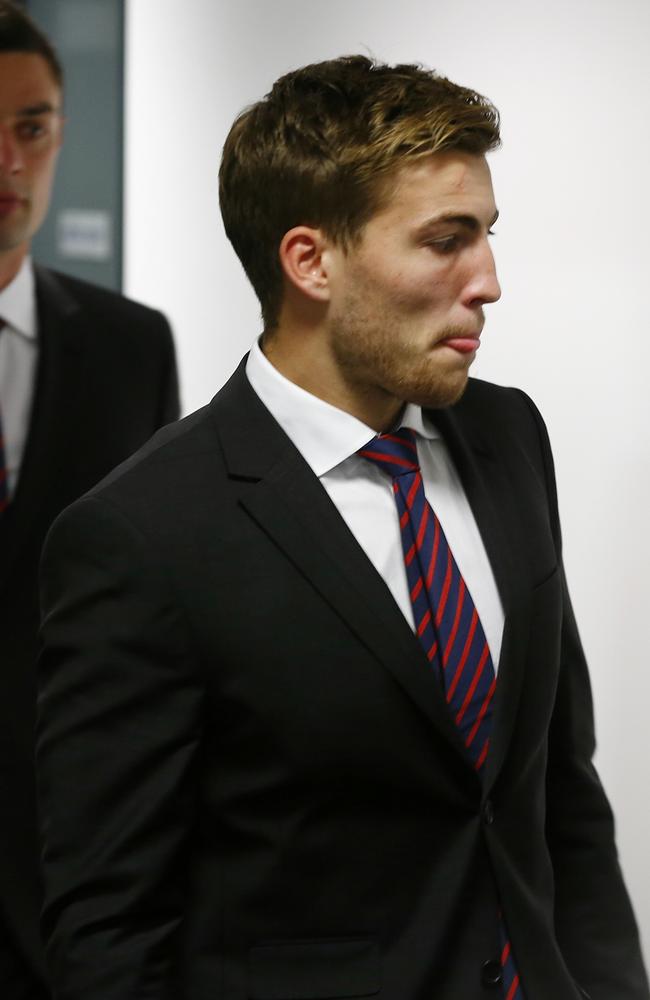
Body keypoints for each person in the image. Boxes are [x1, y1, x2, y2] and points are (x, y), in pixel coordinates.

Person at [35, 54, 648, 1000]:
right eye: (446, 240)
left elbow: (558, 790)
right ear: (311, 261)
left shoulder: (508, 435)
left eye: (485, 235)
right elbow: (111, 930)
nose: (488, 281)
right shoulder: (140, 537)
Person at [0, 3, 180, 997]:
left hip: (76, 871)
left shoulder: (129, 346)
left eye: (31, 127)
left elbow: (167, 604)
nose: (8, 163)